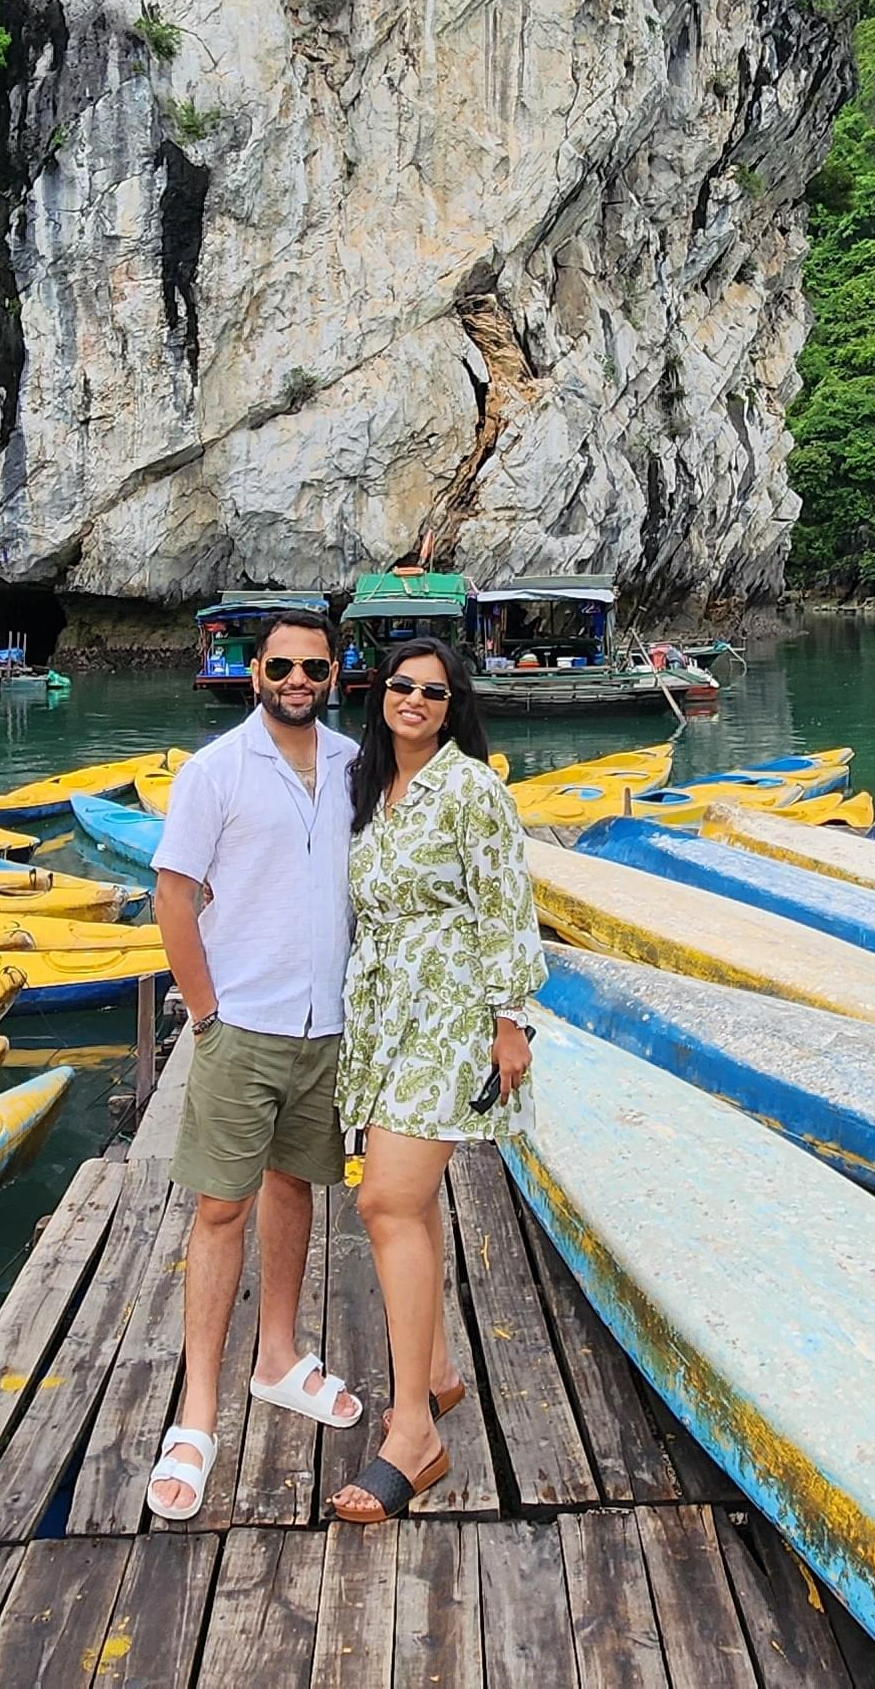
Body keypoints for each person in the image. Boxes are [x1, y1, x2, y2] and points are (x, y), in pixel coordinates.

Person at [143, 611, 367, 1520]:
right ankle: (197, 1411)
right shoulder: (215, 772)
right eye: (282, 665)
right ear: (253, 672)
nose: (299, 679)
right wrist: (205, 1017)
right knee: (219, 1206)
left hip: (328, 1027)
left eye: (315, 665)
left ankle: (276, 1356)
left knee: (295, 1189)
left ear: (333, 672)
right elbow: (173, 896)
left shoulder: (357, 765)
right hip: (243, 1024)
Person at [327, 635, 540, 1523]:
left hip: (449, 1016)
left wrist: (510, 1018)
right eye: (401, 685)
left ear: (454, 707)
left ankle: (412, 1432)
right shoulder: (371, 791)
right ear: (381, 694)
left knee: (383, 1204)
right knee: (404, 1209)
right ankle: (442, 1375)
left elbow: (508, 903)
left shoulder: (472, 789)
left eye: (433, 691)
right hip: (382, 1018)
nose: (413, 699)